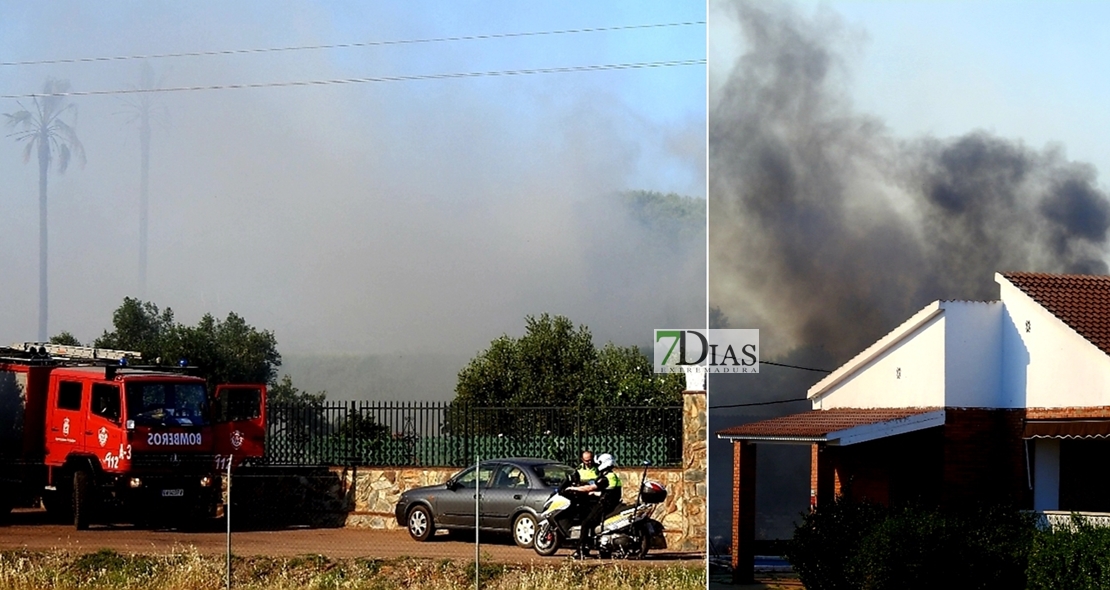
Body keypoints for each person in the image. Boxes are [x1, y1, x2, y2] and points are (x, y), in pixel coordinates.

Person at [566, 452, 622, 559]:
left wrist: (573, 489)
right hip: (611, 503)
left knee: (586, 524)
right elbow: (610, 492)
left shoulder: (605, 478)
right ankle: (602, 549)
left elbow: (589, 488)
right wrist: (595, 493)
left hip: (604, 504)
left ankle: (580, 551)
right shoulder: (613, 476)